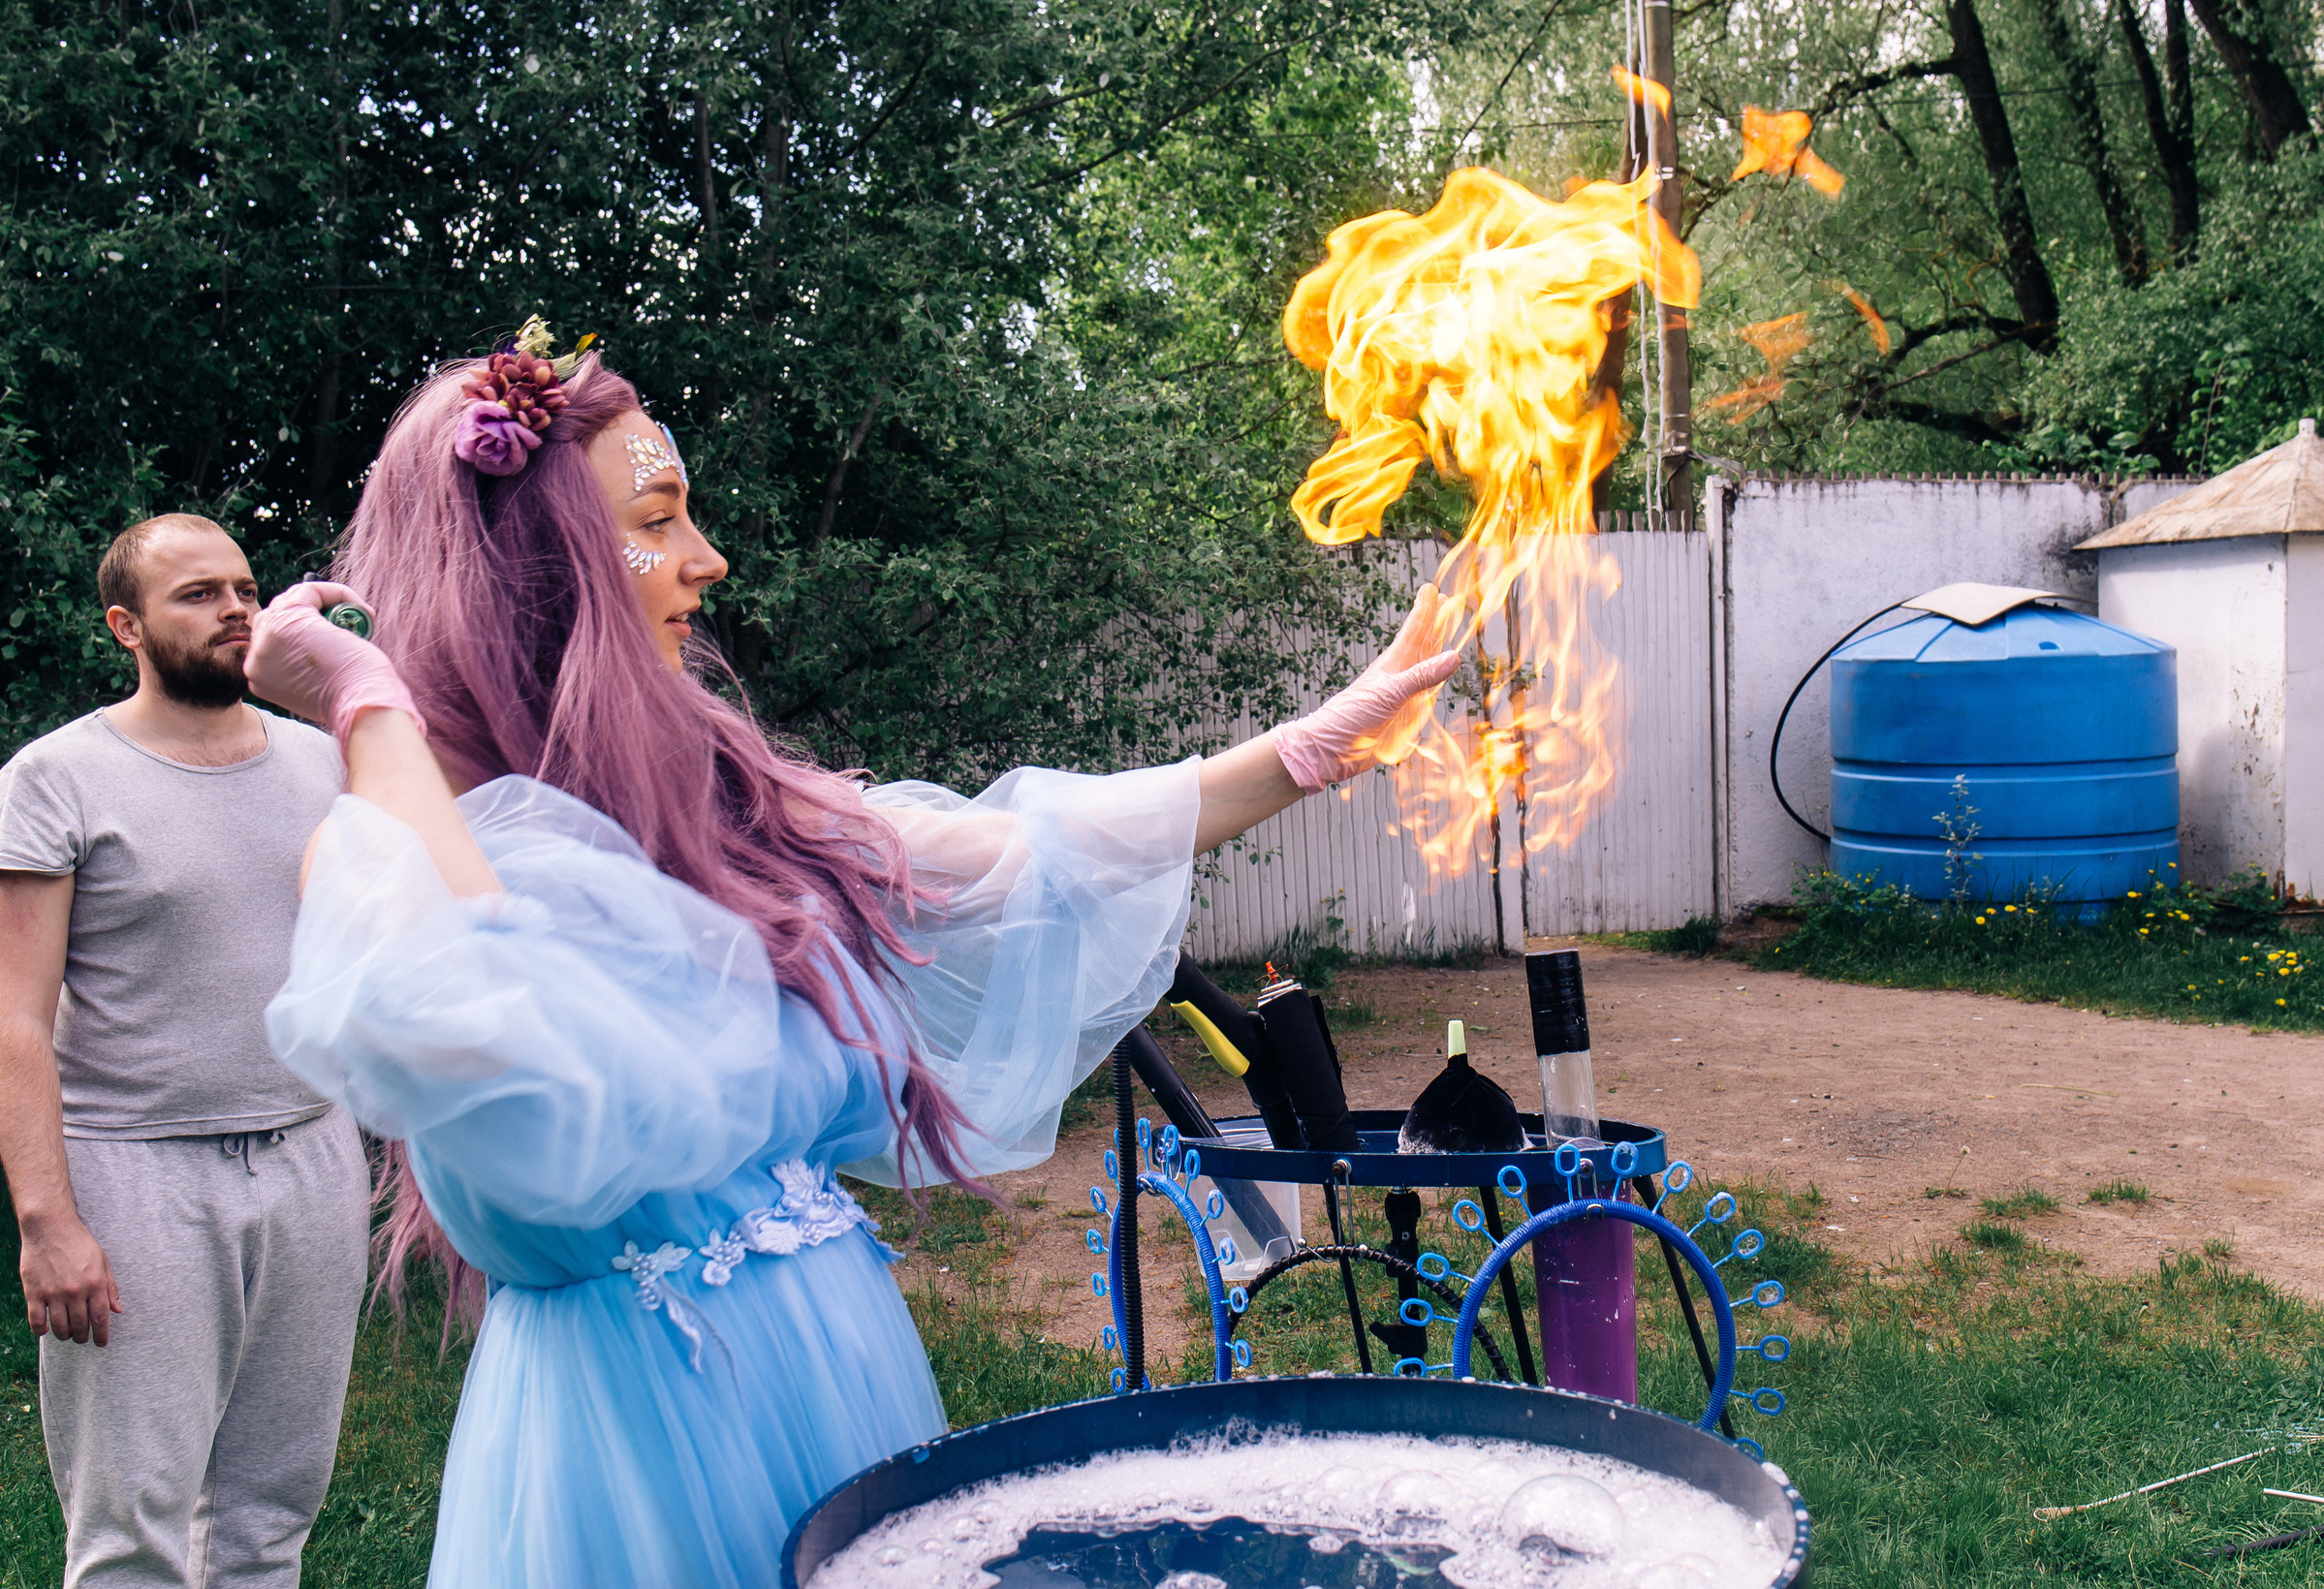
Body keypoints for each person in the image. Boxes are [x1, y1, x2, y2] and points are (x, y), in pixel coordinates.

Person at [240, 324, 1457, 1585]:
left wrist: (1315, 747)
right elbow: (463, 1009)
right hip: (647, 1452)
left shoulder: (714, 790)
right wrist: (367, 706)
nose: (706, 561)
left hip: (843, 1388)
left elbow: (991, 848)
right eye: (656, 520)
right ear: (537, 567)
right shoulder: (399, 842)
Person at [0, 514, 362, 1587]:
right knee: (132, 1530)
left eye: (245, 586)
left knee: (270, 1513)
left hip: (312, 1155)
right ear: (126, 624)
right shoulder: (54, 777)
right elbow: (15, 1015)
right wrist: (48, 1221)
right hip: (134, 1170)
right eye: (198, 592)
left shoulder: (329, 761)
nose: (236, 607)